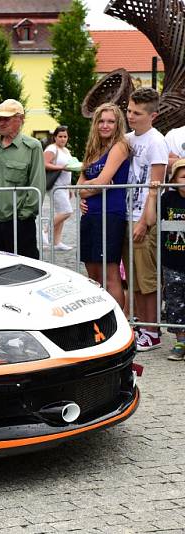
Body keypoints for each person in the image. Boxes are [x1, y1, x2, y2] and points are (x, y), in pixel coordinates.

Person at [123, 87, 169, 351]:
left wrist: (144, 221)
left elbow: (155, 185)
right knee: (135, 278)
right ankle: (142, 325)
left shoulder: (156, 141)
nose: (131, 116)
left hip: (143, 216)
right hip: (127, 214)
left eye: (137, 113)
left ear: (153, 115)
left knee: (147, 279)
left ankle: (152, 331)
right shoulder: (128, 138)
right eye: (129, 110)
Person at [0, 99, 45, 259]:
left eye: (7, 118)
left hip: (19, 222)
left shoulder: (32, 146)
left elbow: (37, 185)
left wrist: (23, 216)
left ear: (20, 119)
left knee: (24, 271)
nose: (1, 123)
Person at [77, 103, 131, 308]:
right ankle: (100, 317)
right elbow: (80, 187)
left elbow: (102, 180)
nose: (105, 125)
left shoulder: (120, 146)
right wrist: (94, 186)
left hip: (110, 215)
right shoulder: (92, 148)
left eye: (110, 121)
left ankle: (119, 321)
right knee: (92, 275)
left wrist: (91, 186)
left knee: (110, 274)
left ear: (118, 124)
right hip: (90, 215)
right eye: (101, 121)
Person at [145, 158, 185, 360]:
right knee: (175, 302)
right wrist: (153, 195)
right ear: (174, 179)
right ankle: (181, 341)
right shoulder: (168, 198)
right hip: (172, 264)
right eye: (183, 176)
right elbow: (151, 221)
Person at [44, 126, 74, 250]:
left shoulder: (66, 150)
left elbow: (70, 168)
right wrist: (60, 167)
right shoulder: (52, 148)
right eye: (60, 136)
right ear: (55, 137)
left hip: (64, 185)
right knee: (66, 211)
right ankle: (45, 230)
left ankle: (57, 243)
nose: (62, 139)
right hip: (55, 185)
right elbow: (44, 163)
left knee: (61, 213)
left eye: (65, 136)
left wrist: (70, 188)